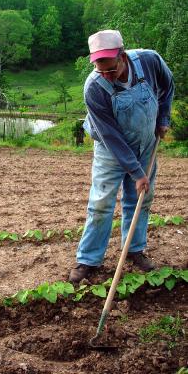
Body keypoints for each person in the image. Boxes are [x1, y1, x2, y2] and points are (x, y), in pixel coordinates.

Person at [69, 30, 174, 283]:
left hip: (147, 141)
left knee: (140, 199)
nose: (106, 75)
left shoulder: (149, 61)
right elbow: (110, 135)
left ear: (122, 55)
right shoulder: (94, 87)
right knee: (102, 202)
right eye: (99, 69)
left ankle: (134, 250)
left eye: (111, 69)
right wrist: (137, 172)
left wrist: (163, 119)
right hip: (110, 148)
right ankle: (88, 260)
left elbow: (168, 86)